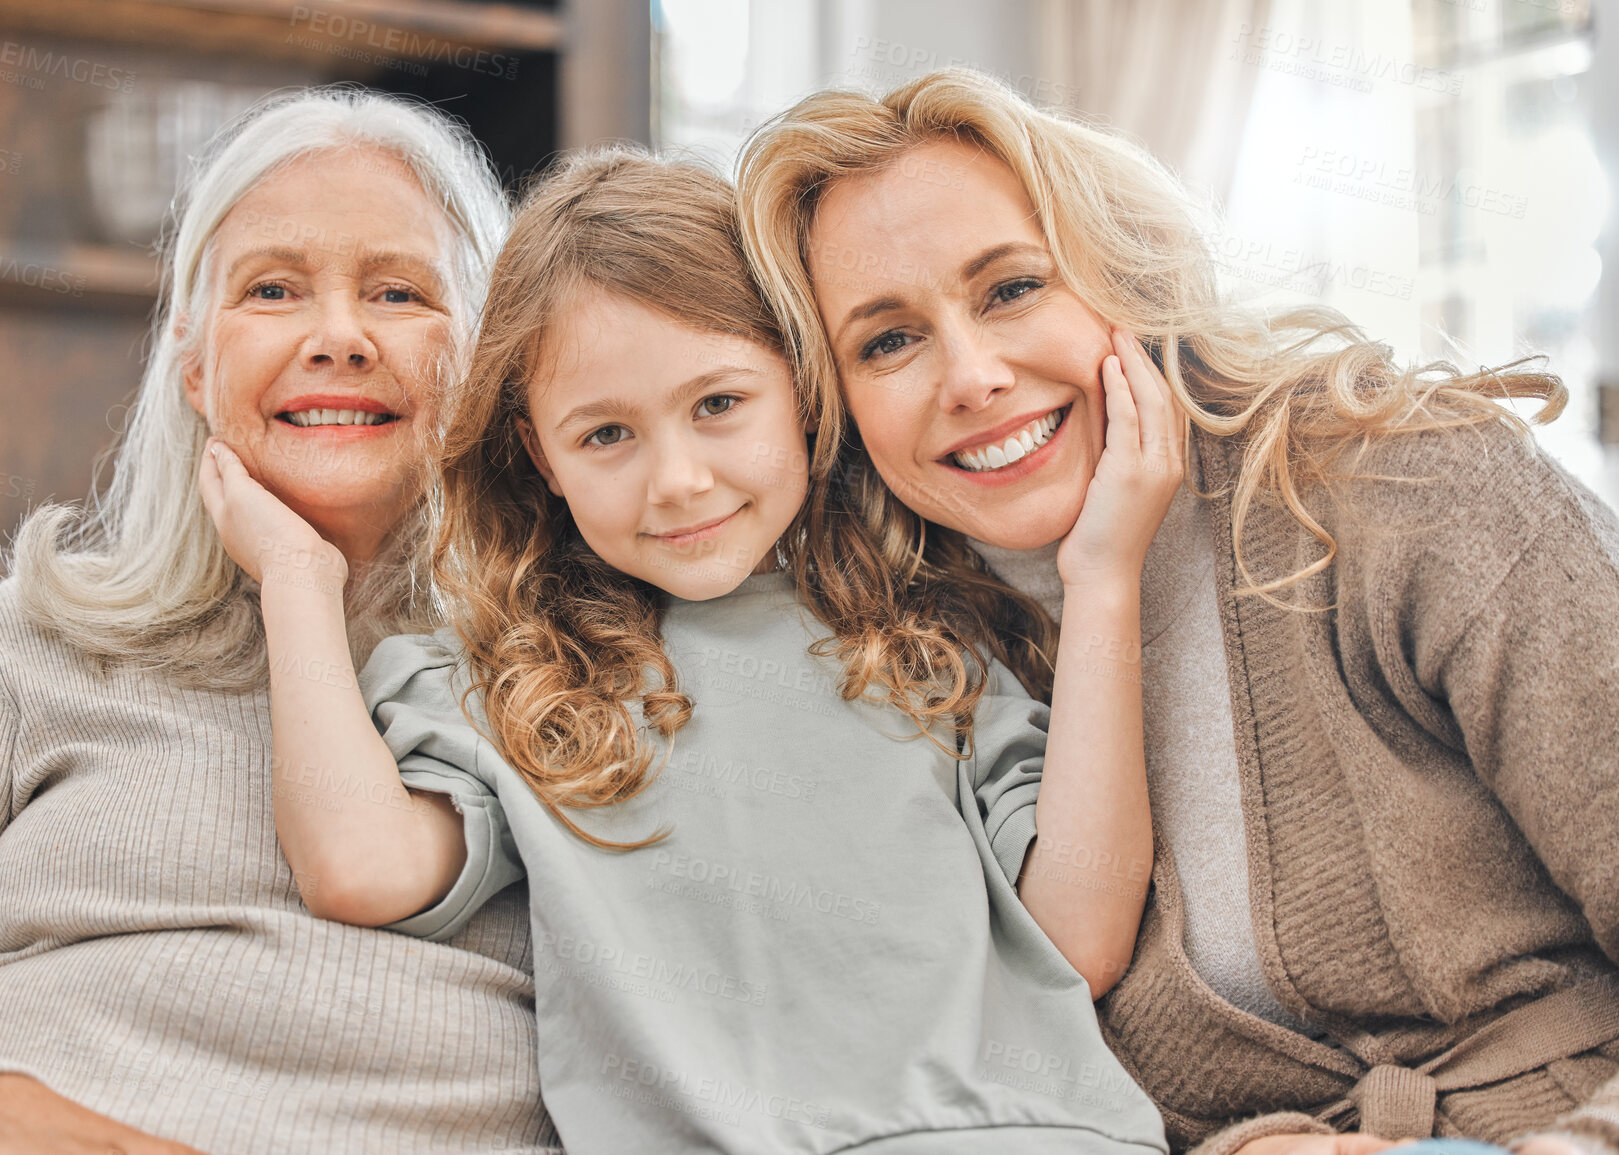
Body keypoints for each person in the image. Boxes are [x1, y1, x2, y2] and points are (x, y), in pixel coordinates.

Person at [198, 146, 1186, 1153]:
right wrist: (297, 580)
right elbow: (360, 868)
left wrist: (1103, 580)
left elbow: (1081, 936)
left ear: (802, 393)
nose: (676, 481)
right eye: (606, 436)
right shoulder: (507, 684)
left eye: (719, 406)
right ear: (539, 457)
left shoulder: (935, 638)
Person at [735, 67, 1619, 1155]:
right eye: (886, 341)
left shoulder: (1404, 490)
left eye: (1012, 288)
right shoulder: (897, 668)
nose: (972, 376)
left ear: (1125, 277)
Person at [0, 89, 559, 1154]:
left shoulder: (575, 677)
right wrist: (0, 1119)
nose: (337, 337)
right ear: (196, 364)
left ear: (485, 362)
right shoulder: (22, 644)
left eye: (397, 292)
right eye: (273, 289)